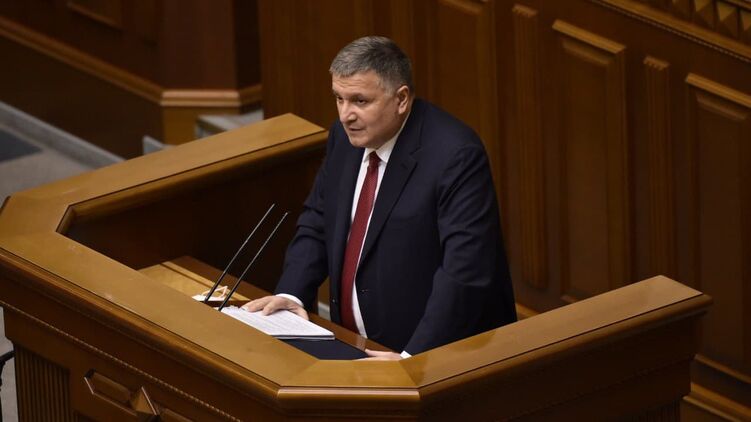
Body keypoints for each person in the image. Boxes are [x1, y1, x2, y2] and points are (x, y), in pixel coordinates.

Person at [244, 36, 516, 359]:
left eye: (360, 101)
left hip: (432, 358)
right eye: (339, 98)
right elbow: (319, 219)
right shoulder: (344, 138)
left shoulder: (455, 156)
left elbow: (465, 273)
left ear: (401, 99)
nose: (345, 115)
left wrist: (412, 360)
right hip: (354, 346)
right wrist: (293, 293)